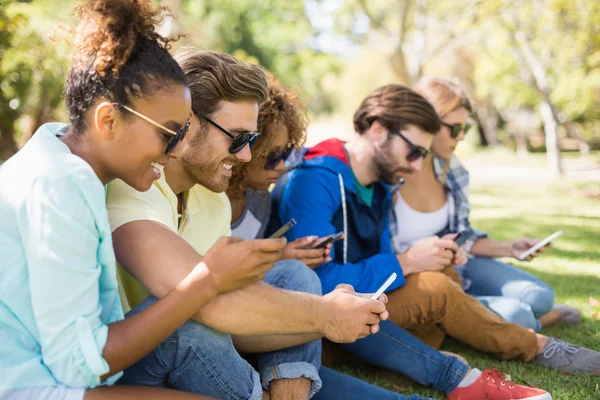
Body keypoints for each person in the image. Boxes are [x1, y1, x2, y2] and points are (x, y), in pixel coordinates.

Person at [105, 49, 426, 400]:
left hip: (207, 356)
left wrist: (326, 313)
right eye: (239, 138)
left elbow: (234, 325)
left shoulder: (212, 200)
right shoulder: (135, 182)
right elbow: (196, 300)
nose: (246, 155)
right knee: (186, 326)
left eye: (252, 141)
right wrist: (326, 314)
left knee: (296, 276)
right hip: (132, 364)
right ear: (189, 122)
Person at [0, 1, 282, 399]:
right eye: (169, 134)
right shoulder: (59, 186)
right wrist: (205, 283)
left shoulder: (59, 157)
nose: (177, 151)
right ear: (108, 121)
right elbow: (81, 365)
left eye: (184, 132)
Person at [230, 77, 552, 400]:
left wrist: (419, 260)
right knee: (435, 289)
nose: (415, 166)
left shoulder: (381, 187)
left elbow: (382, 280)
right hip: (310, 315)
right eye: (412, 152)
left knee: (440, 277)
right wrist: (407, 260)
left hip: (348, 311)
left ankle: (417, 362)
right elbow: (315, 286)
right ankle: (523, 353)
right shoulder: (315, 180)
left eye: (422, 154)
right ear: (378, 129)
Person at [387, 76, 580, 332]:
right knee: (518, 315)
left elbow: (463, 236)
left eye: (465, 129)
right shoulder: (390, 175)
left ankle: (515, 321)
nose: (462, 137)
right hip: (420, 281)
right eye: (455, 129)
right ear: (427, 122)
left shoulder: (453, 171)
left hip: (458, 267)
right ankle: (527, 323)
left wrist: (511, 248)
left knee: (540, 296)